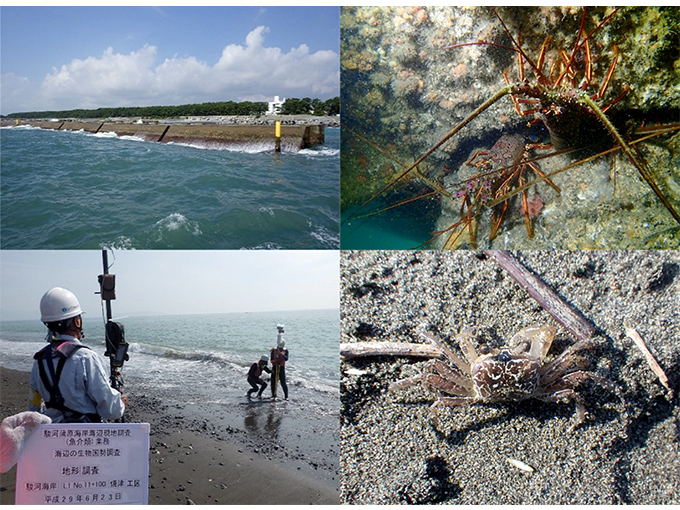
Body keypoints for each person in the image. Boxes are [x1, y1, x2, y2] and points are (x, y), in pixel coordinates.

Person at [29, 287, 127, 423]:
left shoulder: (40, 360)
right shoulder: (86, 358)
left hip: (51, 434)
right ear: (77, 321)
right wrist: (120, 403)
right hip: (84, 436)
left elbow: (34, 404)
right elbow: (110, 410)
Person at [270, 325, 289, 399]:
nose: (280, 349)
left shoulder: (285, 351)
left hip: (281, 368)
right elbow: (271, 360)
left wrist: (281, 354)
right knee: (273, 382)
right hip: (275, 367)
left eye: (281, 348)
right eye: (279, 348)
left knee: (283, 383)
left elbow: (286, 358)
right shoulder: (274, 350)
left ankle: (286, 397)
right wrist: (275, 361)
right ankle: (273, 395)